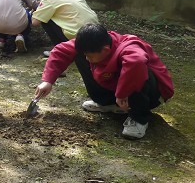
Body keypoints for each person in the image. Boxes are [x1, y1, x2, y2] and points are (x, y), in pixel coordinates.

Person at [34, 23, 174, 139]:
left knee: (137, 67)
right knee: (79, 55)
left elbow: (137, 62)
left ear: (106, 49)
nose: (87, 58)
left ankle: (139, 118)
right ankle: (107, 103)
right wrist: (48, 81)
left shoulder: (128, 47)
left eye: (90, 55)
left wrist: (122, 93)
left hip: (152, 94)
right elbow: (61, 51)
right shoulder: (93, 44)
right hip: (118, 90)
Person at [31, 0, 100, 94]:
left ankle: (62, 54)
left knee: (46, 19)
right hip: (95, 30)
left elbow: (35, 22)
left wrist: (37, 9)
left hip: (76, 35)